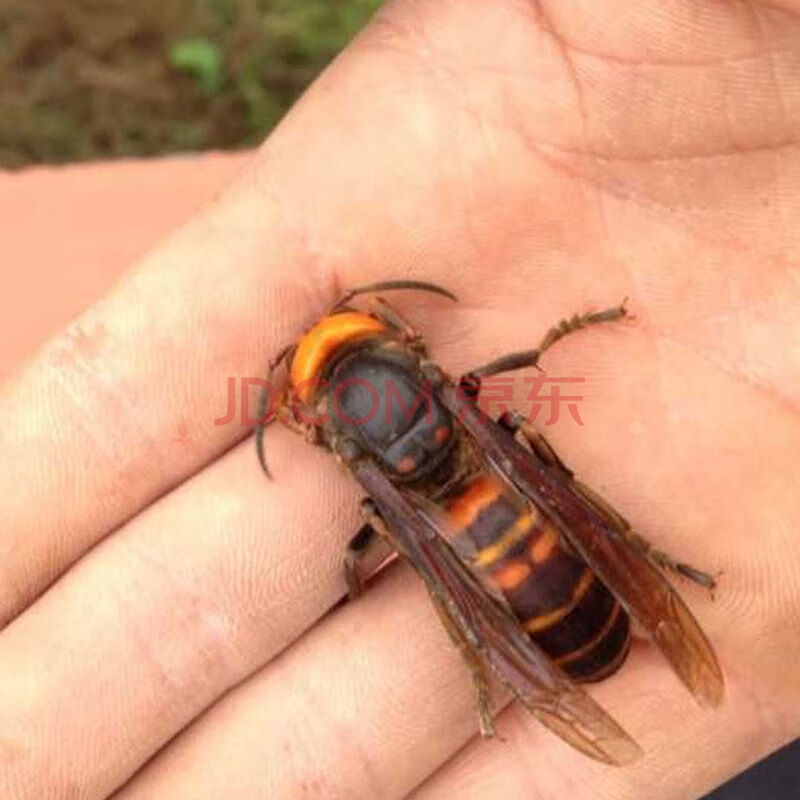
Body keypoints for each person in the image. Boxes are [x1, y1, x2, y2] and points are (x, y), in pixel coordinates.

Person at [1, 1, 798, 797]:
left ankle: (513, 658)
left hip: (484, 557)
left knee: (432, 557)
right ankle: (638, 568)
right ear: (404, 352)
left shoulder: (355, 457)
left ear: (323, 424)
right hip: (530, 540)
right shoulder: (449, 394)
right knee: (517, 460)